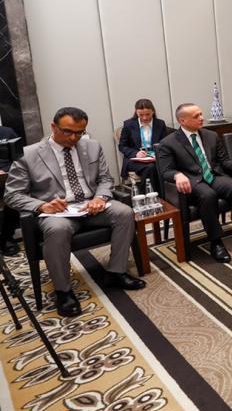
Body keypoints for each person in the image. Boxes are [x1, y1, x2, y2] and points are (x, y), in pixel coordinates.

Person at [4, 107, 145, 317]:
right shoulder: (29, 154)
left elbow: (105, 179)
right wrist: (41, 205)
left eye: (79, 132)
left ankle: (116, 272)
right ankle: (63, 291)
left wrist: (100, 197)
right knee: (57, 230)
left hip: (91, 205)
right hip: (57, 212)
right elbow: (12, 195)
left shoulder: (92, 146)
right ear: (53, 127)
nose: (73, 138)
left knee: (124, 212)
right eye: (68, 131)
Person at [157, 104, 232, 263]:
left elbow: (223, 160)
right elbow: (165, 171)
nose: (201, 118)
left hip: (214, 175)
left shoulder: (211, 135)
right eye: (196, 116)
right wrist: (177, 175)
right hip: (192, 181)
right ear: (182, 121)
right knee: (208, 195)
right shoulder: (168, 143)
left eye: (201, 114)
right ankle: (216, 242)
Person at [117, 99, 169, 193]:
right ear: (136, 112)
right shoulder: (129, 124)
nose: (144, 118)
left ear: (153, 111)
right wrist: (136, 153)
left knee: (154, 166)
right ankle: (154, 195)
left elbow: (165, 143)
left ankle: (147, 195)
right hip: (134, 159)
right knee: (151, 168)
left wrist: (157, 153)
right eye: (141, 115)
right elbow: (122, 146)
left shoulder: (160, 124)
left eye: (148, 114)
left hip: (155, 158)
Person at [0, 123, 21, 255]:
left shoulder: (7, 132)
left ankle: (7, 237)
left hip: (8, 177)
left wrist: (8, 171)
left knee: (15, 196)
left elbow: (19, 157)